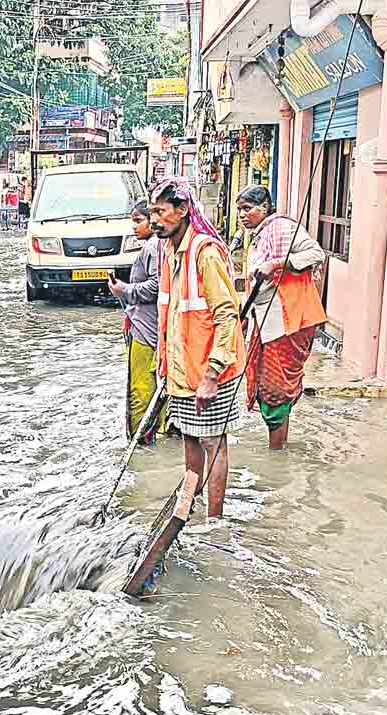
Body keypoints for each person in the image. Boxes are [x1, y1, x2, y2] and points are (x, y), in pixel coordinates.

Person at [151, 176, 246, 520]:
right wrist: (164, 366)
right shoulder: (168, 252)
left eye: (161, 212)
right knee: (190, 439)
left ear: (183, 210)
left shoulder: (204, 254)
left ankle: (214, 520)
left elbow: (227, 316)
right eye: (152, 212)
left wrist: (212, 374)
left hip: (210, 373)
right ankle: (187, 511)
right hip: (181, 371)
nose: (154, 220)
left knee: (213, 443)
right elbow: (172, 315)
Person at [235, 185, 327, 450]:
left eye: (247, 208)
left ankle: (277, 452)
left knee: (276, 387)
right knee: (265, 383)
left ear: (265, 207)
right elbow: (254, 283)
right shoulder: (257, 236)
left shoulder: (284, 228)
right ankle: (277, 446)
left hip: (289, 320)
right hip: (265, 318)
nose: (242, 215)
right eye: (239, 209)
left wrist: (277, 264)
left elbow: (315, 253)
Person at [109, 200, 168, 444]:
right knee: (156, 385)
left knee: (141, 389)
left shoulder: (154, 247)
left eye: (138, 220)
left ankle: (141, 440)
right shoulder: (160, 245)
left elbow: (155, 286)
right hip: (152, 326)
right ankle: (158, 433)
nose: (134, 226)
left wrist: (123, 289)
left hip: (146, 329)